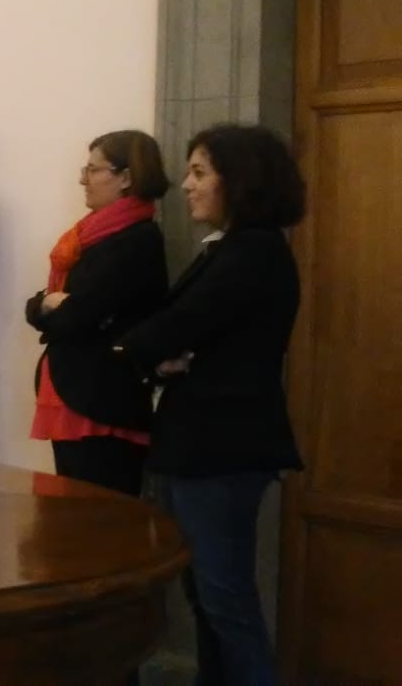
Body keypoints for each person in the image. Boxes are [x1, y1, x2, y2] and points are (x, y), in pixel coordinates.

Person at [114, 124, 305, 686]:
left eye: (200, 172)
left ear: (239, 180)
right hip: (198, 444)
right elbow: (170, 335)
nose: (187, 186)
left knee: (225, 600)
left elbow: (169, 328)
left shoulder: (255, 251)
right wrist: (157, 357)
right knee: (205, 597)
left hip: (222, 447)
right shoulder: (229, 248)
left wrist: (140, 349)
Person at [25, 131, 169, 497]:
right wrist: (49, 303)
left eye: (93, 170)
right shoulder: (90, 235)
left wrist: (54, 306)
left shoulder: (138, 239)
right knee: (69, 510)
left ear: (126, 177)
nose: (82, 179)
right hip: (73, 390)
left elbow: (77, 316)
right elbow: (42, 308)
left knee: (99, 513)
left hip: (103, 400)